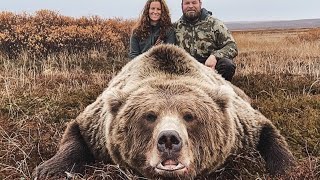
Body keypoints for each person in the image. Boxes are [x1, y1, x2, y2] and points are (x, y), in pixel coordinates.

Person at [174, 0, 238, 81]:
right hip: (185, 70)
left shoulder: (214, 24)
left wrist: (215, 56)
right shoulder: (175, 27)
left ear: (200, 4)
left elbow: (232, 46)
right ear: (182, 6)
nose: (190, 6)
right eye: (187, 3)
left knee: (227, 65)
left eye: (194, 3)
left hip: (210, 68)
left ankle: (220, 90)